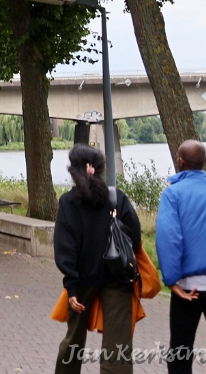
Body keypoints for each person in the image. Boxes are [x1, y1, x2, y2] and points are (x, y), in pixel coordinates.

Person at [54, 145, 141, 374]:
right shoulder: (116, 198)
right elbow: (135, 236)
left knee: (73, 340)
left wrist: (71, 285)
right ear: (97, 169)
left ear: (76, 170)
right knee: (118, 347)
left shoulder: (68, 202)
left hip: (81, 280)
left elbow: (65, 248)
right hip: (117, 278)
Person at [156, 140, 206, 374]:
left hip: (188, 287)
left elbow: (169, 238)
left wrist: (172, 280)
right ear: (205, 161)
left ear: (180, 161)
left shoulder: (173, 194)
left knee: (180, 352)